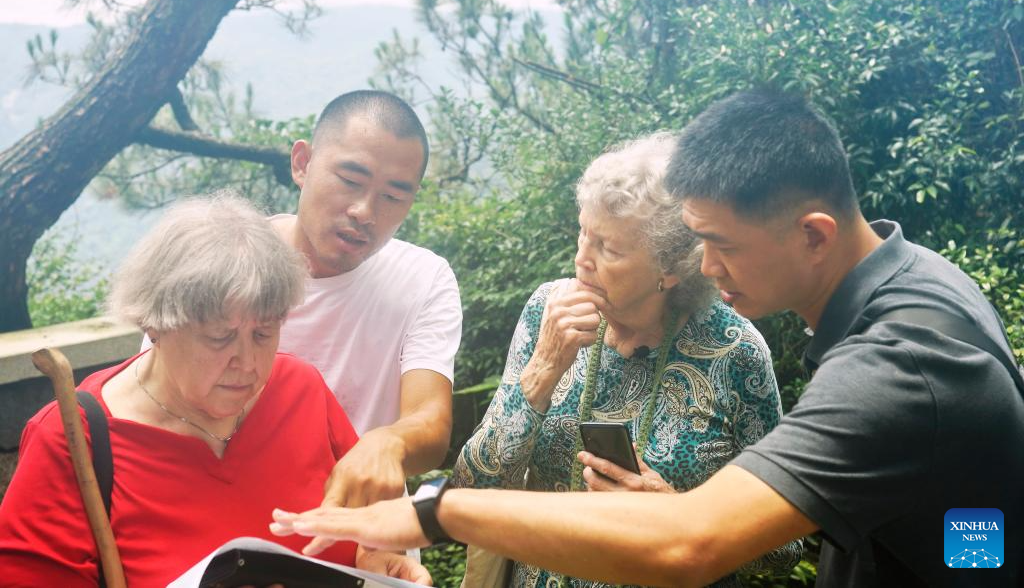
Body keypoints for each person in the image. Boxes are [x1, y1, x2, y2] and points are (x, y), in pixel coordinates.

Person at [269, 89, 1024, 587]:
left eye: (719, 244)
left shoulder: (903, 361)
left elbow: (695, 540)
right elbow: (969, 517)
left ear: (813, 235)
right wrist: (968, 554)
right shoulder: (921, 284)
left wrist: (434, 512)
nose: (708, 266)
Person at [0, 194, 430, 586]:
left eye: (264, 333)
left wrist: (375, 558)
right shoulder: (74, 439)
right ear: (154, 324)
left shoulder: (300, 388)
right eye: (219, 337)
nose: (248, 363)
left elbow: (366, 525)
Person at [451, 133, 800, 586]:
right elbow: (472, 487)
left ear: (670, 270)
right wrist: (544, 368)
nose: (582, 258)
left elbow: (783, 548)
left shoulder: (735, 351)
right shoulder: (548, 310)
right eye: (583, 232)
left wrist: (675, 513)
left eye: (609, 249)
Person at [272, 90, 462, 511]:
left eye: (392, 197)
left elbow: (430, 421)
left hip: (368, 532)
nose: (364, 211)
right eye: (350, 181)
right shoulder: (226, 263)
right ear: (302, 163)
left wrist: (389, 442)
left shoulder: (422, 279)